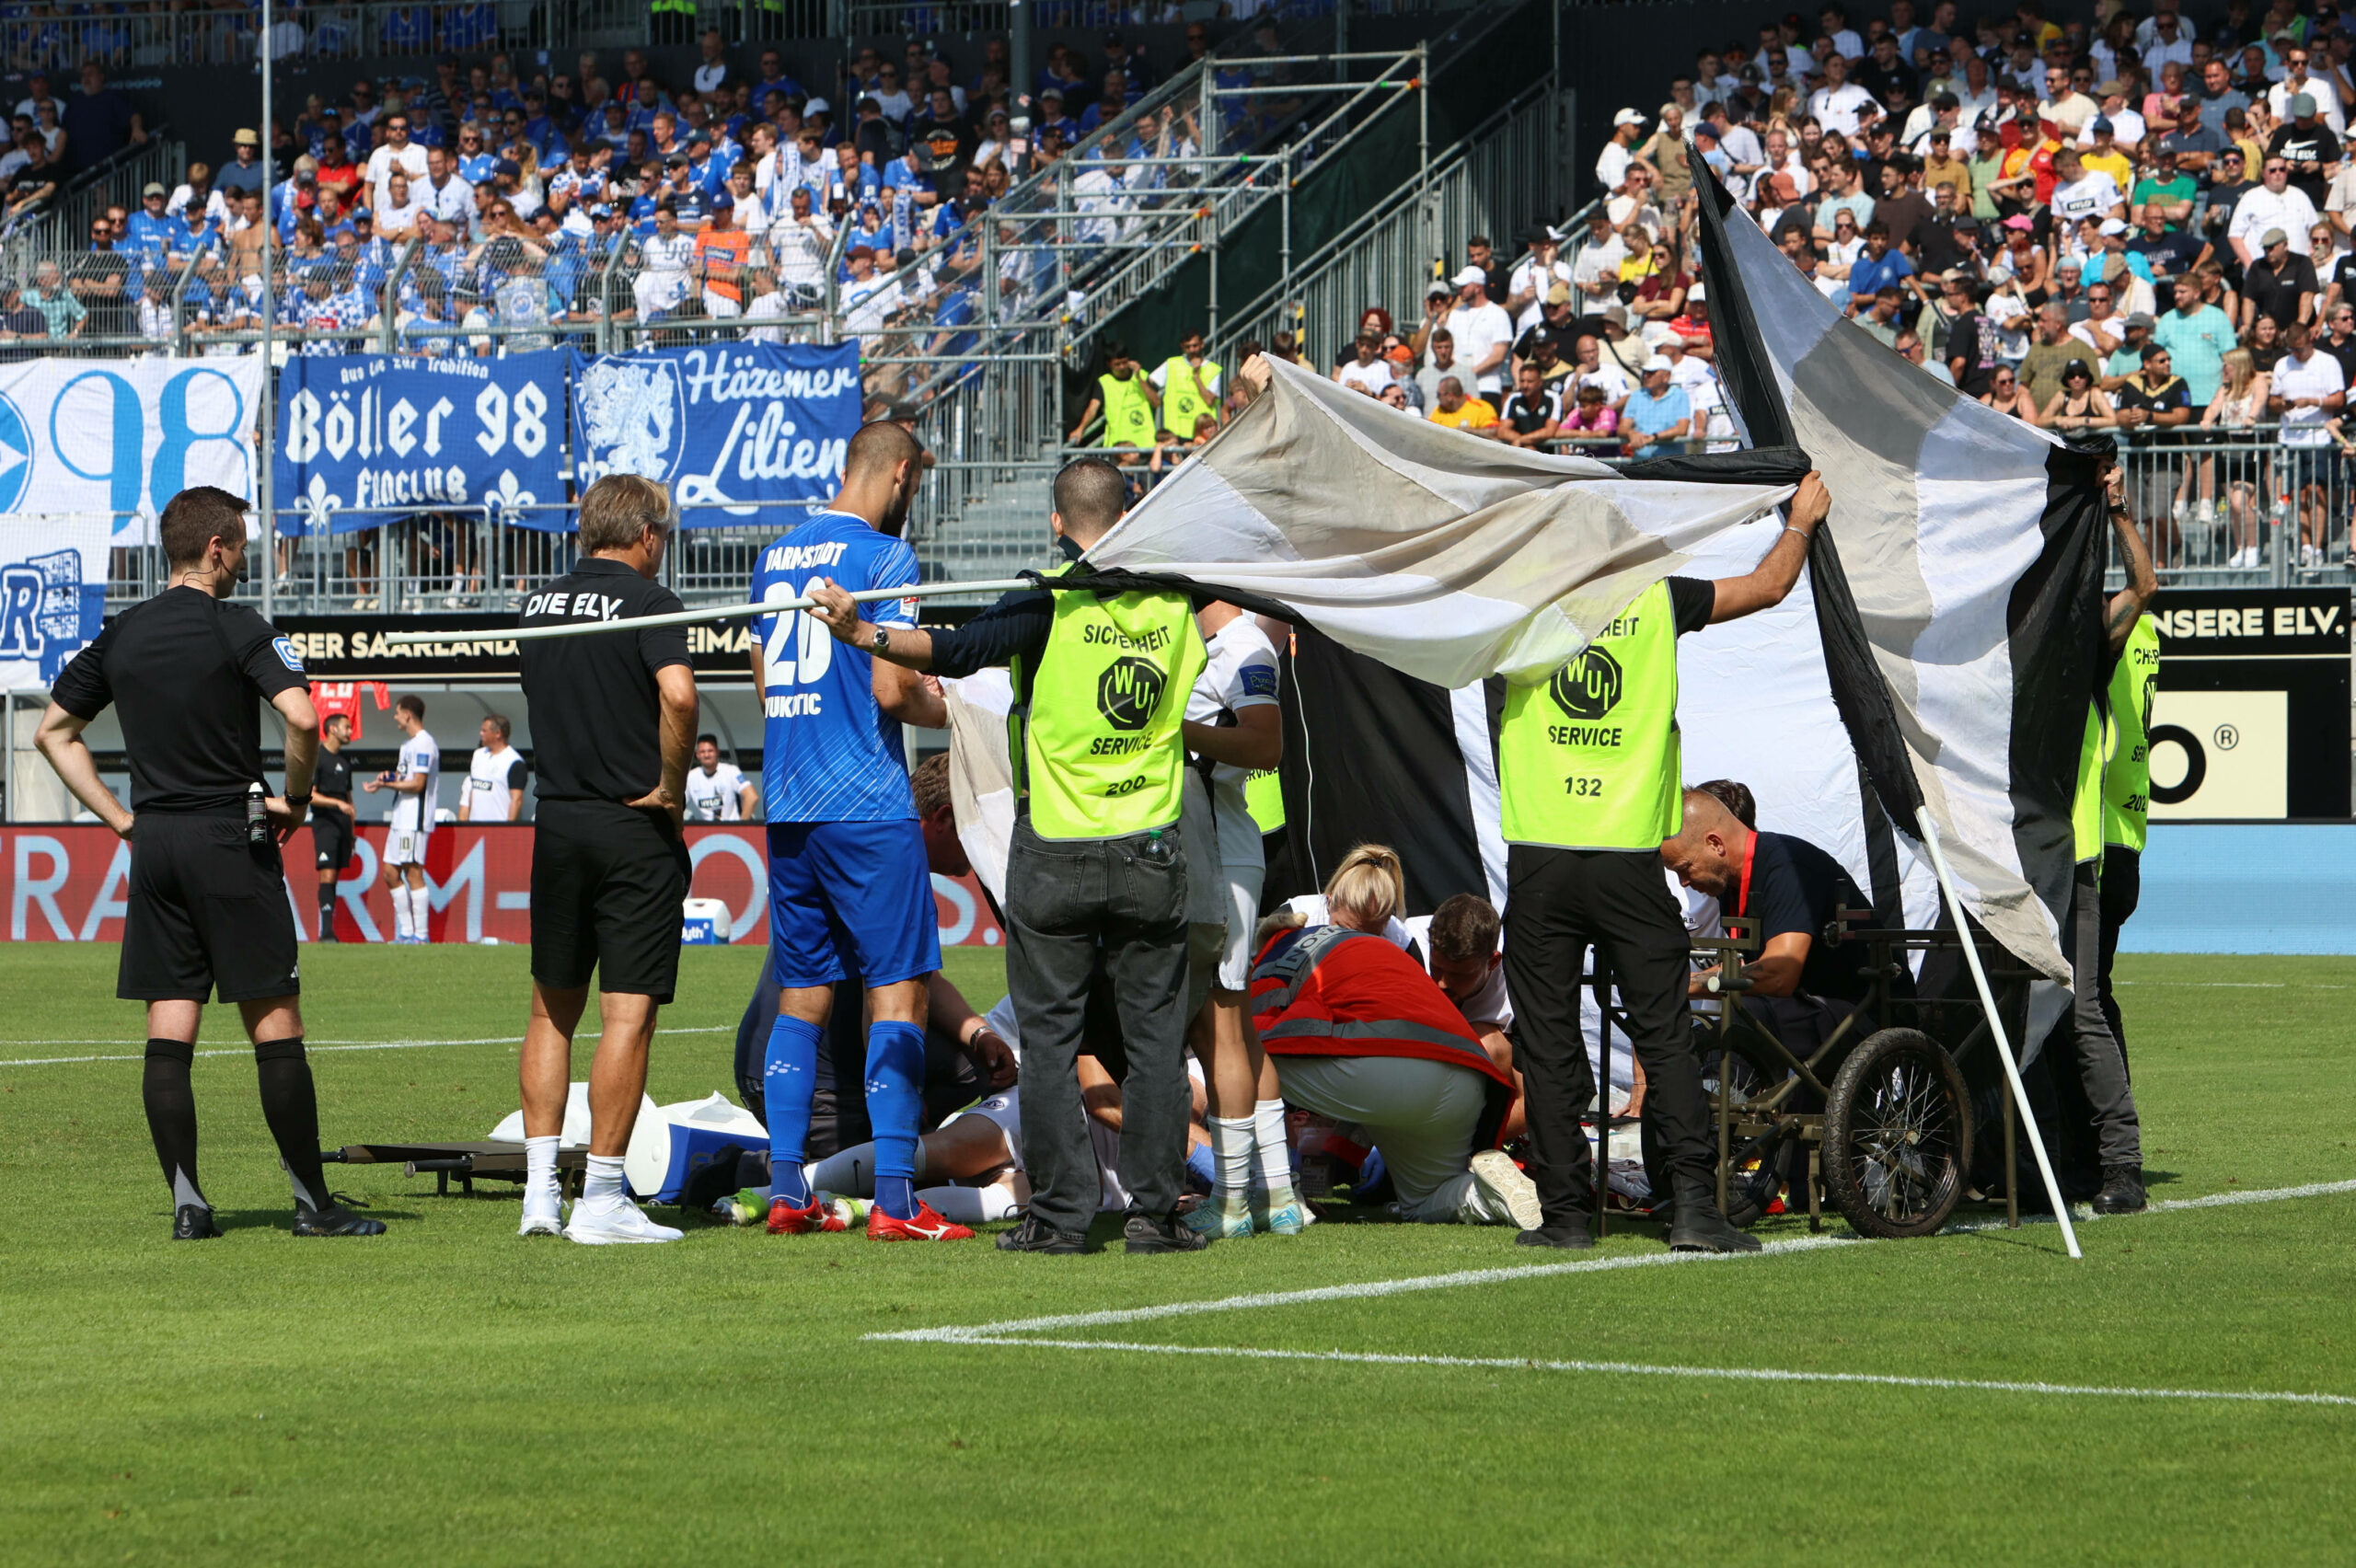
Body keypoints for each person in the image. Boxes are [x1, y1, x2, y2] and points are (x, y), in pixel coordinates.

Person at [806, 453, 1210, 1256]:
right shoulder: (1173, 607)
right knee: (1156, 1044)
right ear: (1125, 517)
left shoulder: (1045, 603)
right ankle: (1156, 1217)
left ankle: (1060, 1220)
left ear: (1057, 525)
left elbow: (957, 649)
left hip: (1055, 856)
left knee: (1054, 1045)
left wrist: (862, 632)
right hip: (1148, 855)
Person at [1499, 471, 1834, 1254]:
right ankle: (1692, 1210)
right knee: (1666, 1038)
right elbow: (1767, 586)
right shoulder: (1656, 598)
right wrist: (1803, 522)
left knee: (1547, 1045)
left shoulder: (1515, 610)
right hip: (1625, 857)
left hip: (1541, 856)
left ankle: (1565, 1219)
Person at [35, 486, 381, 1240]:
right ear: (217, 549)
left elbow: (54, 734)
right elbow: (301, 715)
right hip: (231, 836)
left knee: (170, 1030)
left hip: (156, 844)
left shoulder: (121, 635)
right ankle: (313, 1205)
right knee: (275, 1024)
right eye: (242, 549)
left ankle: (189, 1206)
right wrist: (295, 797)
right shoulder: (237, 625)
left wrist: (123, 819)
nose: (244, 563)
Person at [752, 421, 970, 1243]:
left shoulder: (776, 555)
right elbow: (891, 690)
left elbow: (769, 682)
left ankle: (786, 1192)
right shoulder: (884, 557)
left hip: (790, 798)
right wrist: (949, 707)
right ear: (902, 473)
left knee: (803, 995)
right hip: (866, 804)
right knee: (899, 991)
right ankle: (895, 1200)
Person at [514, 474, 699, 1245]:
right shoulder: (651, 601)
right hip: (631, 827)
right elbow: (681, 697)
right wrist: (671, 786)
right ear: (648, 534)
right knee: (629, 1013)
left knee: (551, 1009)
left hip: (556, 822)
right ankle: (604, 1197)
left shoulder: (538, 605)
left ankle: (537, 1195)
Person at [1251, 876, 1541, 1229]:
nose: (1442, 984)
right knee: (1428, 1198)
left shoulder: (1272, 963)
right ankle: (1488, 1196)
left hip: (1401, 1067)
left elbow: (1271, 1039)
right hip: (1463, 1084)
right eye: (1438, 969)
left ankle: (1276, 1191)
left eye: (1458, 973)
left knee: (1240, 1056)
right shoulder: (1397, 946)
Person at [2057, 466, 2158, 1216]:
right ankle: (2063, 1153)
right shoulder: (2094, 628)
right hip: (2087, 840)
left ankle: (2112, 1160)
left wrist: (2117, 511)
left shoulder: (2097, 629)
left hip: (2095, 843)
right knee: (2083, 1002)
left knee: (2086, 1004)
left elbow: (2143, 587)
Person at [1179, 598, 1294, 1239]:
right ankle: (1276, 1192)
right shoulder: (1213, 644)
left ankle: (1229, 1201)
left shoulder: (1243, 644)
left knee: (1216, 1021)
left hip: (1222, 849)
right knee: (1237, 1022)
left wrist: (1172, 730)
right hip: (1215, 845)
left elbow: (1264, 745)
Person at [2097, 604, 2162, 1063]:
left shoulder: (2108, 633)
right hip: (2125, 833)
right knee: (2094, 991)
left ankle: (2110, 1126)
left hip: (2098, 838)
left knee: (2087, 998)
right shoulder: (2146, 633)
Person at [363, 696, 440, 943]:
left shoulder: (424, 743)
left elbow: (417, 784)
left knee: (413, 872)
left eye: (397, 713)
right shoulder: (407, 746)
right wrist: (385, 779)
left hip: (413, 820)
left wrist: (389, 785)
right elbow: (406, 775)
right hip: (400, 818)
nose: (395, 717)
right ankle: (406, 932)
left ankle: (421, 935)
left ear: (408, 714)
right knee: (389, 872)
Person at [311, 712, 357, 941]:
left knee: (335, 875)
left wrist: (353, 832)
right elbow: (310, 795)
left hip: (342, 826)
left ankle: (330, 930)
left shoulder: (345, 761)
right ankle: (326, 932)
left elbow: (349, 800)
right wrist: (336, 803)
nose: (350, 732)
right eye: (346, 727)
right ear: (332, 729)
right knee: (327, 873)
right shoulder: (317, 757)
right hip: (325, 823)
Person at [457, 713, 527, 823]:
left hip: (498, 829)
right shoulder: (478, 755)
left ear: (498, 733)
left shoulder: (514, 761)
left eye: (484, 731)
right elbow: (471, 793)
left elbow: (516, 800)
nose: (481, 733)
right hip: (474, 828)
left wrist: (508, 829)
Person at [684, 733, 757, 822]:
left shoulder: (731, 771)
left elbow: (752, 797)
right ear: (697, 754)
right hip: (706, 832)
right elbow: (678, 805)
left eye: (710, 751)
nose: (706, 755)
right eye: (702, 752)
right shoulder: (691, 777)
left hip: (732, 829)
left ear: (717, 752)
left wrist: (741, 826)